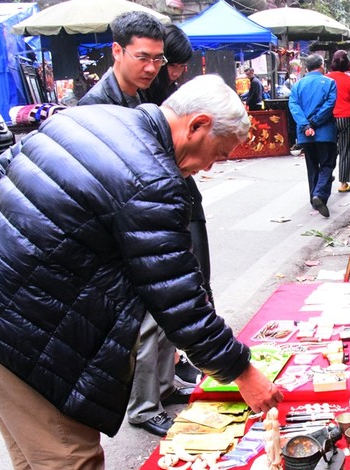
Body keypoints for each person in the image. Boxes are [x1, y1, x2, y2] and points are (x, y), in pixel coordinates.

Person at [0, 74, 284, 470]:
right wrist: (241, 372)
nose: (210, 168)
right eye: (217, 153)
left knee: (36, 460)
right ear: (197, 125)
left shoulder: (88, 115)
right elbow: (179, 300)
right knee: (68, 467)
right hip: (25, 328)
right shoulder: (153, 179)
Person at [134, 24, 212, 437]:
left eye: (160, 61)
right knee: (155, 311)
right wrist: (232, 365)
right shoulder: (125, 114)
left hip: (162, 211)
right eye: (144, 58)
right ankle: (144, 404)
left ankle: (162, 387)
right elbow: (180, 295)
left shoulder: (157, 104)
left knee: (169, 307)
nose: (156, 68)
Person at [78, 11, 166, 108]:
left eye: (158, 59)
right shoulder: (94, 104)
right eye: (142, 58)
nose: (151, 69)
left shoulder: (144, 92)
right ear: (117, 51)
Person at [288, 54, 337, 218]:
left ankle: (314, 199)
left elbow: (294, 107)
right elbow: (329, 105)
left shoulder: (298, 85)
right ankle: (320, 194)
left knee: (312, 166)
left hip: (306, 134)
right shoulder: (329, 83)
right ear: (322, 66)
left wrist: (305, 125)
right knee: (327, 164)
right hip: (324, 132)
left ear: (306, 68)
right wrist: (314, 122)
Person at [326, 50, 350, 193]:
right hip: (345, 119)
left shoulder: (325, 78)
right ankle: (343, 184)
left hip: (328, 119)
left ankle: (326, 177)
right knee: (345, 151)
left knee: (328, 150)